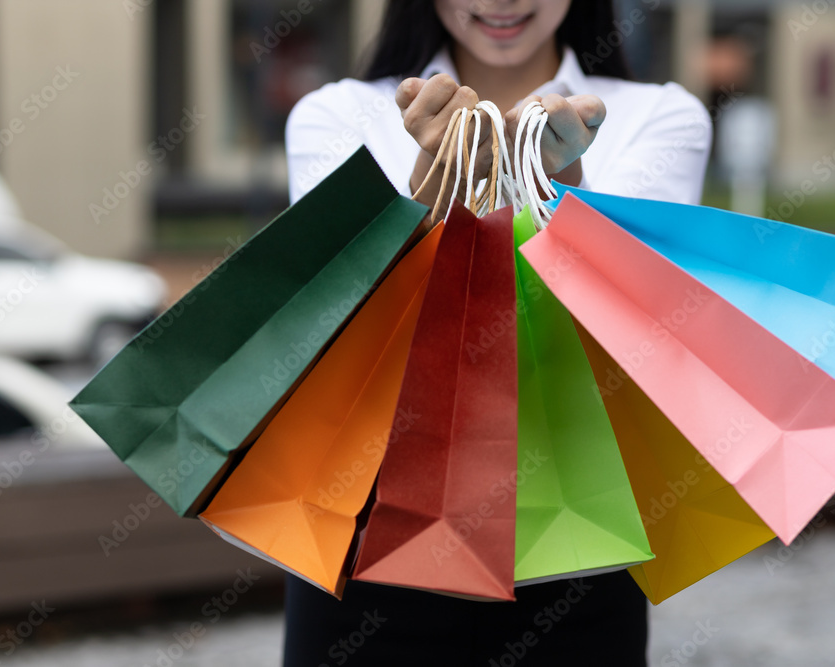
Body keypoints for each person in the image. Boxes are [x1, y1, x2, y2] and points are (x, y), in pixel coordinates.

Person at [283, 1, 712, 665]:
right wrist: (435, 181)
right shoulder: (335, 113)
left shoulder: (660, 115)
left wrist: (560, 179)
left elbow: (634, 326)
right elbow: (339, 318)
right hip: (368, 528)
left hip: (579, 530)